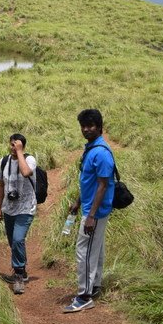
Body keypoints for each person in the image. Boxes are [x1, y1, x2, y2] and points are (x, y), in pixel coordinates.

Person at [64, 109, 116, 313]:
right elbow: (90, 182)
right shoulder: (91, 148)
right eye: (83, 126)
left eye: (90, 126)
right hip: (89, 207)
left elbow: (103, 185)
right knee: (96, 249)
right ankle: (94, 286)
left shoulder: (101, 153)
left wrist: (91, 216)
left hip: (95, 211)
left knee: (84, 251)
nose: (86, 130)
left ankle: (84, 296)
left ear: (100, 127)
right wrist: (78, 202)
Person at [0, 133, 37, 294]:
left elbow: (26, 172)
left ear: (23, 146)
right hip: (9, 208)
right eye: (12, 144)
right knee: (13, 242)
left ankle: (18, 276)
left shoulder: (29, 160)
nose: (13, 148)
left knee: (18, 239)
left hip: (26, 207)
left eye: (17, 145)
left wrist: (19, 152)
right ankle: (23, 270)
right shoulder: (3, 161)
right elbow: (0, 185)